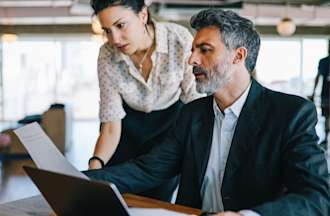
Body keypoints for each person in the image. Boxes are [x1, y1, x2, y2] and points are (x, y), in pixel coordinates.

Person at [85, 8, 330, 216]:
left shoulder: (290, 114)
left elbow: (317, 197)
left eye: (205, 50)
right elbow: (148, 169)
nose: (191, 59)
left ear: (239, 56)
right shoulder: (191, 114)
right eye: (193, 50)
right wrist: (78, 181)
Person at [88, 0, 204, 202]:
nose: (114, 39)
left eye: (120, 25)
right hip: (125, 131)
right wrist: (94, 167)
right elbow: (110, 127)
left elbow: (195, 104)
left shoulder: (178, 39)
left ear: (143, 15)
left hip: (168, 129)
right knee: (112, 196)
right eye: (107, 30)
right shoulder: (107, 55)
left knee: (155, 201)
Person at [309, 41, 330, 150]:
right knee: (327, 117)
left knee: (327, 118)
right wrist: (313, 93)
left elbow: (318, 78)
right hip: (325, 95)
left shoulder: (323, 62)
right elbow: (318, 78)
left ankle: (326, 140)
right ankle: (326, 140)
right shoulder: (323, 62)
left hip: (325, 95)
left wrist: (313, 93)